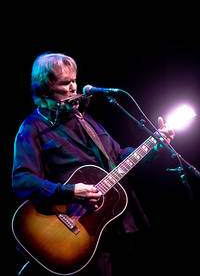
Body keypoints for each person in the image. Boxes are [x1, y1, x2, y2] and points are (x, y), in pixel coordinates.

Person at [11, 52, 175, 275]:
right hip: (74, 235)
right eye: (65, 83)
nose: (72, 88)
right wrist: (69, 192)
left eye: (74, 81)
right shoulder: (33, 127)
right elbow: (22, 180)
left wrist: (152, 147)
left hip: (116, 227)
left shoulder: (87, 120)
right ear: (45, 87)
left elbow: (117, 159)